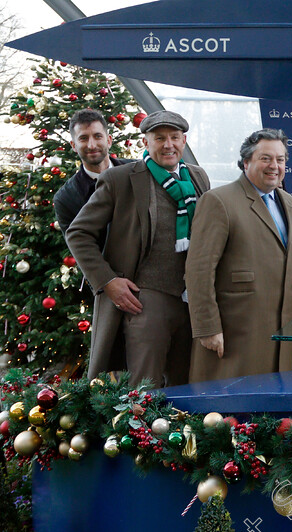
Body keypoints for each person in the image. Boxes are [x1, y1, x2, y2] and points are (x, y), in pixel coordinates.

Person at [66, 110, 210, 387]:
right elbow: (78, 232)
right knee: (143, 391)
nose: (168, 144)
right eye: (159, 138)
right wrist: (108, 281)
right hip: (145, 300)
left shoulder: (198, 177)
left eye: (174, 138)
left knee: (188, 385)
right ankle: (140, 432)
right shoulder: (121, 179)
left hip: (193, 300)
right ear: (146, 143)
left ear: (184, 141)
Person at [185, 129, 292, 383]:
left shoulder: (290, 203)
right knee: (227, 412)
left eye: (280, 160)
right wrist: (207, 328)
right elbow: (199, 270)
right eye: (266, 158)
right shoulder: (218, 201)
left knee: (272, 413)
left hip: (280, 333)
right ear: (246, 162)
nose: (275, 166)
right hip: (234, 334)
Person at [54, 109, 131, 236]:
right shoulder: (66, 198)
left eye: (98, 136)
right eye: (83, 138)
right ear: (73, 145)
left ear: (109, 140)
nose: (91, 145)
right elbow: (80, 247)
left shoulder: (138, 170)